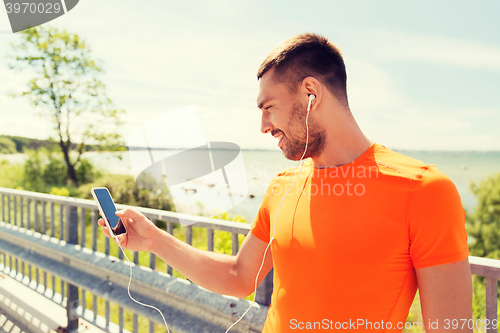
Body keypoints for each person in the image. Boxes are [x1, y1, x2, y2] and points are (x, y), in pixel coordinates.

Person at [99, 33, 473, 332]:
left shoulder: (423, 190)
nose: (263, 126)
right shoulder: (282, 186)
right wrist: (154, 240)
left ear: (311, 93)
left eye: (268, 108)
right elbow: (238, 276)